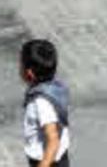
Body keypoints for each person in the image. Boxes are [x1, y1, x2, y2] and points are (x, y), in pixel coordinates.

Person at [20, 39, 71, 167]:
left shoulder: (42, 102)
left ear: (29, 73)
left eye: (21, 65)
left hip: (48, 161)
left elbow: (53, 141)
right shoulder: (53, 86)